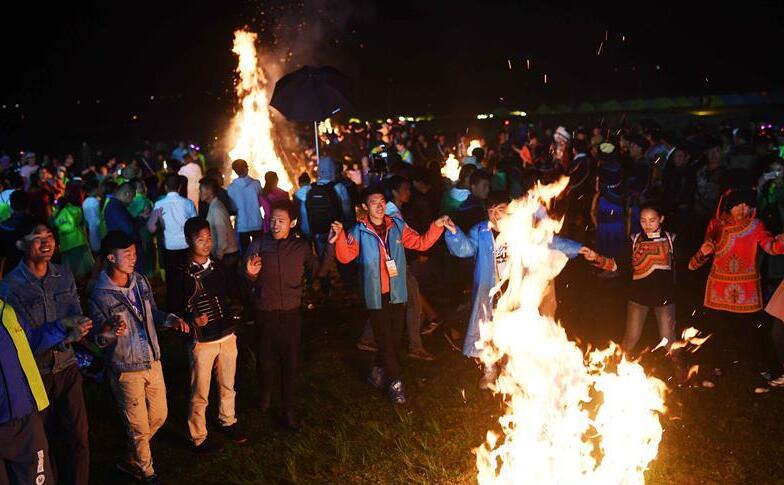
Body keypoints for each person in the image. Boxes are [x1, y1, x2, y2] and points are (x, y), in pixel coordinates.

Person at [444, 191, 589, 388]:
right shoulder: (481, 232)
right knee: (487, 328)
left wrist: (576, 248)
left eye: (503, 210)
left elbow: (547, 241)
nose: (499, 215)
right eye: (495, 211)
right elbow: (465, 248)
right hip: (489, 290)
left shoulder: (520, 230)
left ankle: (510, 369)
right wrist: (454, 232)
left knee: (514, 327)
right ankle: (489, 369)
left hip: (515, 289)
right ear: (489, 213)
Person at [333, 185, 454, 404]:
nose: (379, 207)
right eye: (373, 203)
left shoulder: (397, 225)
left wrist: (436, 226)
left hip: (397, 292)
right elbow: (345, 257)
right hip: (375, 295)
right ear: (364, 207)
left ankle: (377, 370)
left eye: (381, 202)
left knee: (394, 338)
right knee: (386, 341)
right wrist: (340, 236)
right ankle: (395, 383)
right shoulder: (359, 231)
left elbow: (420, 242)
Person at [88, 231, 189, 484]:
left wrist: (168, 319)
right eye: (127, 254)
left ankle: (129, 458)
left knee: (159, 416)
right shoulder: (100, 294)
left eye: (134, 252)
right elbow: (98, 339)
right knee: (138, 427)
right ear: (111, 258)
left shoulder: (140, 281)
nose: (134, 258)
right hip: (125, 367)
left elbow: (152, 312)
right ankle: (148, 472)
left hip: (152, 359)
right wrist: (109, 332)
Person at [0, 223, 93, 485]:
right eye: (37, 237)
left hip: (66, 365)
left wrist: (78, 329)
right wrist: (63, 329)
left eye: (49, 236)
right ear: (21, 245)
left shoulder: (62, 275)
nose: (46, 243)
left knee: (78, 437)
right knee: (43, 443)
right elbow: (22, 344)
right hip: (35, 377)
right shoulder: (10, 288)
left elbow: (74, 313)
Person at [244, 200, 335, 428]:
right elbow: (243, 280)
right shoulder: (258, 245)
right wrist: (250, 275)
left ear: (292, 223)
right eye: (272, 220)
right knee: (264, 362)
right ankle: (265, 394)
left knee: (290, 364)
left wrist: (331, 246)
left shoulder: (301, 247)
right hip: (266, 313)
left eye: (281, 221)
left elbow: (320, 271)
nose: (275, 225)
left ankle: (287, 410)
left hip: (291, 315)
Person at [688, 188, 784, 389]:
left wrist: (781, 241)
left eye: (747, 205)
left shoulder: (756, 225)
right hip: (719, 291)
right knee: (718, 332)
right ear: (728, 206)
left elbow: (771, 247)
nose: (743, 209)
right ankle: (714, 369)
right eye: (738, 205)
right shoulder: (716, 225)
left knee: (751, 335)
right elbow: (703, 254)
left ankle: (756, 373)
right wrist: (703, 253)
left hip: (746, 292)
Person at [168, 218, 247, 452]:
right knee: (200, 390)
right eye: (200, 239)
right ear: (188, 240)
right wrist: (190, 318)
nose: (206, 243)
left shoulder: (219, 266)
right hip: (202, 340)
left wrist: (249, 276)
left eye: (209, 238)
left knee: (228, 384)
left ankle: (227, 420)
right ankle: (198, 435)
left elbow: (235, 291)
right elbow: (172, 305)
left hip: (226, 333)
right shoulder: (181, 272)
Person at [582, 202, 679, 356]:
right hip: (638, 299)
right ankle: (615, 370)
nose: (647, 225)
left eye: (652, 220)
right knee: (630, 339)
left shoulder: (671, 240)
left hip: (664, 299)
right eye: (643, 220)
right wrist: (596, 258)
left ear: (661, 219)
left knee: (670, 343)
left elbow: (688, 266)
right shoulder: (634, 240)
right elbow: (617, 265)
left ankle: (684, 377)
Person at [148, 174, 197, 309]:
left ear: (165, 187)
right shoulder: (188, 203)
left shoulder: (159, 204)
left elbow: (151, 228)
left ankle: (174, 307)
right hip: (186, 246)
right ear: (180, 186)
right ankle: (189, 304)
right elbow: (195, 225)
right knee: (188, 276)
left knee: (171, 279)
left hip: (169, 247)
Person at [53, 183, 95, 280]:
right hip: (77, 243)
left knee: (71, 275)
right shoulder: (75, 209)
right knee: (81, 274)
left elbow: (53, 221)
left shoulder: (62, 207)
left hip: (67, 244)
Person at [227, 159, 263, 255]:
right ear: (247, 168)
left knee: (245, 253)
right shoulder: (256, 184)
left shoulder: (231, 188)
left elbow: (232, 208)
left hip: (242, 225)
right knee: (259, 251)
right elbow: (261, 201)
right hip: (257, 222)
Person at [0, 190, 35, 276]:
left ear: (11, 205)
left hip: (10, 271)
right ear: (28, 204)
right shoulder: (35, 224)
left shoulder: (3, 226)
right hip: (33, 270)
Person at [82, 178, 102, 252]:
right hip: (98, 230)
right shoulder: (95, 201)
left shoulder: (85, 202)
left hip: (91, 231)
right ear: (95, 189)